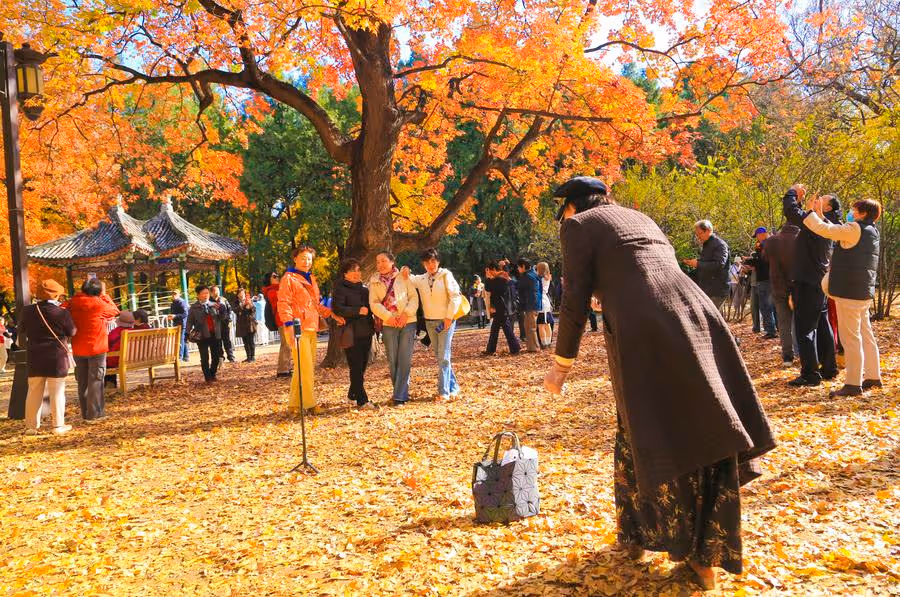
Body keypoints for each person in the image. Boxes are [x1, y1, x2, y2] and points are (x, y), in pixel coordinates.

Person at [544, 176, 774, 590]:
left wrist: (561, 364)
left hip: (646, 333)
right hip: (696, 317)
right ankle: (659, 541)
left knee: (654, 429)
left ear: (572, 207)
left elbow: (573, 296)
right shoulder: (639, 218)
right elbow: (636, 270)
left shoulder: (578, 225)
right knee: (702, 422)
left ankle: (678, 548)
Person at [803, 198, 883, 397]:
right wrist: (820, 215)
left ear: (862, 213)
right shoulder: (872, 231)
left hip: (848, 293)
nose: (851, 213)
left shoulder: (854, 228)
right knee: (866, 335)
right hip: (862, 292)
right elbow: (836, 229)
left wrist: (810, 213)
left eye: (854, 210)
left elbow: (826, 230)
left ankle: (853, 384)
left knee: (851, 339)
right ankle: (873, 376)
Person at [782, 185, 839, 386]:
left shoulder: (818, 225)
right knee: (822, 325)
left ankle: (810, 374)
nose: (815, 200)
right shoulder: (827, 224)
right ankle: (829, 368)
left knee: (805, 329)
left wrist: (792, 192)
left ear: (827, 208)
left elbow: (792, 213)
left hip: (807, 283)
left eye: (820, 200)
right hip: (818, 282)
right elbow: (800, 215)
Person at [277, 246, 344, 415]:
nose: (306, 262)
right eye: (303, 258)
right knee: (305, 368)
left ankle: (294, 405)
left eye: (309, 259)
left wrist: (332, 315)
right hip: (297, 327)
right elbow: (283, 303)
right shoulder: (288, 278)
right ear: (295, 259)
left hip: (312, 326)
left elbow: (316, 304)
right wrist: (289, 326)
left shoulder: (311, 278)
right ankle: (309, 404)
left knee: (303, 367)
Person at [402, 248, 463, 402]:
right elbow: (408, 277)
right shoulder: (421, 279)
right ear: (423, 264)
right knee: (441, 356)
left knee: (443, 356)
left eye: (433, 261)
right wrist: (404, 268)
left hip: (445, 321)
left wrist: (449, 317)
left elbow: (455, 296)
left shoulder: (446, 275)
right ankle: (454, 387)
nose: (431, 264)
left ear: (438, 261)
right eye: (427, 262)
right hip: (430, 322)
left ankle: (444, 392)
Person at [21, 279, 76, 434]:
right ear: (56, 295)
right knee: (57, 391)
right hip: (56, 356)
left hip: (35, 355)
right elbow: (72, 331)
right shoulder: (62, 313)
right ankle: (58, 426)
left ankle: (31, 427)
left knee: (33, 391)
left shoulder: (27, 311)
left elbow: (22, 329)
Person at [65, 277, 119, 422]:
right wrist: (105, 296)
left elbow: (63, 309)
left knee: (82, 381)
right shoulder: (99, 304)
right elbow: (114, 310)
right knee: (96, 380)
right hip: (97, 347)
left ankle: (85, 413)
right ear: (98, 291)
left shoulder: (73, 302)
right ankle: (95, 414)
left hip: (78, 347)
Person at [369, 251, 419, 406]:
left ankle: (399, 396)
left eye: (384, 261)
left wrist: (406, 314)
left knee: (404, 358)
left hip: (407, 321)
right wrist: (388, 317)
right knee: (392, 359)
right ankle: (400, 393)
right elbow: (373, 303)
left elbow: (413, 297)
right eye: (378, 262)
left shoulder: (403, 276)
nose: (380, 264)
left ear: (392, 262)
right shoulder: (374, 281)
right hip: (388, 322)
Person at [332, 258, 376, 409]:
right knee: (355, 366)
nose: (356, 273)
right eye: (352, 271)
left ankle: (353, 393)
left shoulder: (364, 289)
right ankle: (362, 400)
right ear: (345, 274)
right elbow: (337, 308)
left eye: (358, 270)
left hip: (366, 332)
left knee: (362, 365)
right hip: (351, 333)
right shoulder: (340, 288)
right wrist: (357, 311)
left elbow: (371, 308)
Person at [766, 223, 801, 365]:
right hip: (798, 286)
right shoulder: (800, 239)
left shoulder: (771, 241)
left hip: (778, 287)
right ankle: (801, 352)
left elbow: (765, 257)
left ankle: (787, 356)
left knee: (783, 322)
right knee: (799, 321)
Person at [682, 220, 730, 309]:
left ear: (708, 230)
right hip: (707, 289)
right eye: (696, 235)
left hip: (716, 291)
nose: (698, 237)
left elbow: (719, 264)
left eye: (699, 234)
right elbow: (705, 266)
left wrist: (698, 264)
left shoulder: (720, 245)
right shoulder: (707, 245)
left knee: (711, 316)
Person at [482, 261, 521, 356]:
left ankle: (515, 348)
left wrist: (488, 278)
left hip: (501, 306)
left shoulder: (501, 278)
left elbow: (488, 288)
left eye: (489, 271)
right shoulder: (499, 278)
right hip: (500, 306)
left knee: (504, 329)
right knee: (496, 329)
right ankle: (492, 349)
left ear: (493, 269)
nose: (489, 273)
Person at [187, 285, 225, 383]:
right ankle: (207, 377)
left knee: (216, 356)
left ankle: (212, 374)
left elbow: (222, 318)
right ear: (198, 295)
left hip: (214, 334)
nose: (206, 295)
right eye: (203, 293)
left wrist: (222, 310)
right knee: (204, 358)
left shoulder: (215, 305)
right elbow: (189, 321)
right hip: (202, 335)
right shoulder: (194, 307)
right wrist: (187, 333)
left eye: (207, 293)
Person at [744, 228, 777, 338]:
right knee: (773, 305)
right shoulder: (773, 243)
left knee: (765, 306)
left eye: (757, 236)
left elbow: (762, 261)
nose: (757, 239)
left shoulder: (764, 245)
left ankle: (770, 331)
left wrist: (748, 260)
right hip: (772, 277)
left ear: (762, 234)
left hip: (764, 279)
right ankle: (776, 328)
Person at [263, 272, 292, 378]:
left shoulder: (279, 289)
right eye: (274, 277)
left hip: (287, 319)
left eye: (278, 276)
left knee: (288, 344)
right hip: (281, 320)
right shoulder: (271, 291)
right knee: (286, 344)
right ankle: (282, 370)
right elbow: (282, 300)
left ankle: (286, 367)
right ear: (269, 279)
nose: (277, 278)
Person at [517, 258, 542, 352]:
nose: (518, 269)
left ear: (523, 266)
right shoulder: (533, 274)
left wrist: (510, 281)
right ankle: (531, 347)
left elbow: (518, 286)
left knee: (530, 327)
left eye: (518, 267)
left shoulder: (527, 276)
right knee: (529, 326)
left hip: (531, 304)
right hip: (533, 303)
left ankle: (534, 348)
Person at [105, 311, 136, 387]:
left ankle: (110, 384)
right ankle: (110, 384)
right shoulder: (135, 332)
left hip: (119, 359)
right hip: (133, 358)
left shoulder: (115, 332)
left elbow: (106, 343)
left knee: (104, 360)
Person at [210, 285, 235, 363]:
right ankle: (221, 358)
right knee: (218, 342)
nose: (217, 292)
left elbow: (229, 310)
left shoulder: (223, 299)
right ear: (211, 293)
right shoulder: (209, 302)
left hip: (225, 324)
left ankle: (231, 357)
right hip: (215, 325)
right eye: (215, 291)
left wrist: (229, 319)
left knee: (227, 341)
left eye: (218, 290)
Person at [233, 288, 258, 362]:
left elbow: (254, 310)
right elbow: (235, 310)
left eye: (243, 294)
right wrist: (242, 305)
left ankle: (253, 357)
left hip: (250, 323)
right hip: (241, 324)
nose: (241, 295)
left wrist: (250, 306)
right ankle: (248, 357)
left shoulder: (249, 300)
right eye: (240, 294)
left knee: (251, 341)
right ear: (237, 295)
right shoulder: (236, 302)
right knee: (245, 341)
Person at [535, 262, 555, 347]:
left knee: (541, 325)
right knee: (547, 324)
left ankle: (544, 343)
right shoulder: (548, 277)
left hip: (541, 302)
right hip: (546, 302)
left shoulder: (540, 279)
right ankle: (548, 342)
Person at [168, 289, 190, 362]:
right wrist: (171, 316)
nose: (174, 295)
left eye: (175, 294)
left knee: (180, 341)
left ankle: (180, 357)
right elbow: (174, 313)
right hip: (176, 323)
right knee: (182, 340)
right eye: (173, 294)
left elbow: (185, 314)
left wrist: (175, 316)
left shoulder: (182, 302)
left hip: (182, 324)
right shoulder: (173, 303)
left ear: (179, 295)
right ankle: (186, 357)